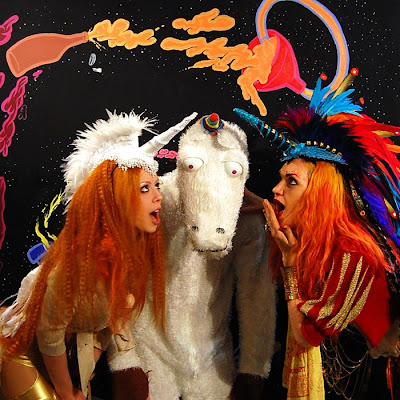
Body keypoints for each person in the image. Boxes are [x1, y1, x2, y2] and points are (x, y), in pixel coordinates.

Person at [0, 110, 197, 400]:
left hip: (62, 358)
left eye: (156, 186)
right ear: (115, 199)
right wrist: (67, 391)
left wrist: (80, 379)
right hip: (18, 351)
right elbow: (49, 333)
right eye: (145, 188)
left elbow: (109, 324)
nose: (158, 196)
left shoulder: (131, 261)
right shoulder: (76, 265)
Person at [235, 71, 400, 399]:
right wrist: (266, 207)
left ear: (320, 195)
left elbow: (304, 335)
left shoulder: (354, 253)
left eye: (290, 182)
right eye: (281, 179)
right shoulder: (330, 239)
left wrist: (289, 265)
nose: (276, 189)